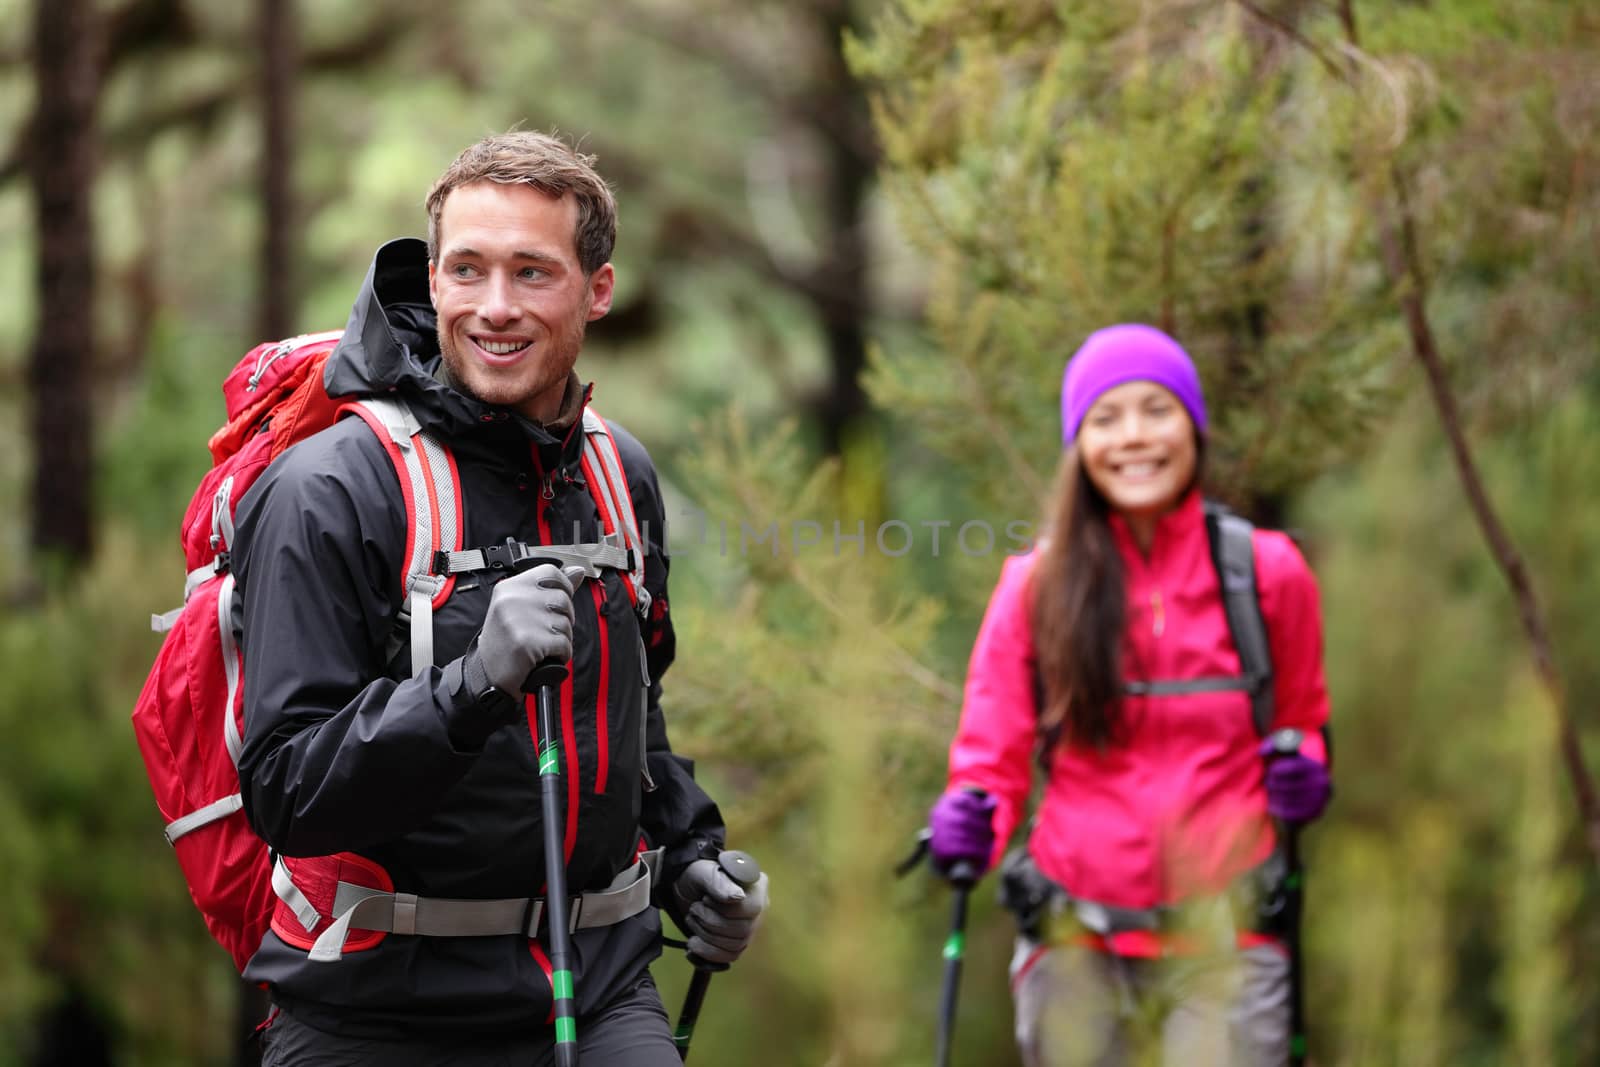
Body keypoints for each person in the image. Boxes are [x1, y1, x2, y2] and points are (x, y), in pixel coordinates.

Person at [233, 131, 768, 1065]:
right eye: (468, 270)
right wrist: (473, 684)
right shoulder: (331, 490)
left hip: (595, 985)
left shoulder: (616, 474)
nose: (495, 307)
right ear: (432, 279)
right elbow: (286, 789)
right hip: (374, 1008)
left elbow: (635, 731)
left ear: (598, 290)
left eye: (533, 272)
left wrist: (690, 858)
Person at [926, 324, 1331, 1066]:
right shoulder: (1035, 588)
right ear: (1078, 444)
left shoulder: (1267, 573)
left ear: (1195, 427)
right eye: (1106, 418)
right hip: (1075, 945)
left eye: (1158, 409)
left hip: (1227, 941)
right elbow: (993, 757)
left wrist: (1305, 769)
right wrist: (971, 821)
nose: (1135, 436)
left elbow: (1302, 721)